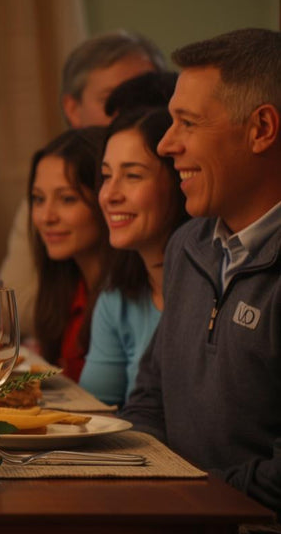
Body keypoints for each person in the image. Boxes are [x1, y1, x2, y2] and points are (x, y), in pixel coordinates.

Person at [120, 28, 281, 513]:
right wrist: (145, 483)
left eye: (187, 123)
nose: (166, 144)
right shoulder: (188, 245)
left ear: (261, 129)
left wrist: (184, 497)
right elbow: (149, 401)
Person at [0, 31, 165, 337]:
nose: (131, 114)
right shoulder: (53, 175)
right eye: (111, 100)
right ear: (73, 109)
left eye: (144, 98)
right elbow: (10, 307)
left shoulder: (180, 195)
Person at [79, 105, 188, 406]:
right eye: (106, 176)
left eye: (133, 176)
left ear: (181, 182)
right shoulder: (118, 296)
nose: (110, 195)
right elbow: (96, 411)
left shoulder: (211, 292)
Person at [28, 126, 110, 381]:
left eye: (67, 199)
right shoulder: (68, 286)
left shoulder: (125, 299)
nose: (46, 217)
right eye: (38, 199)